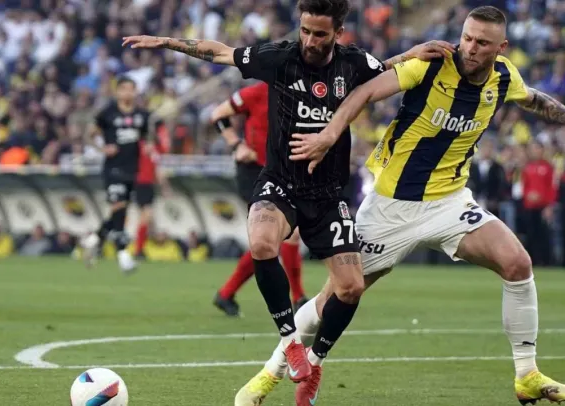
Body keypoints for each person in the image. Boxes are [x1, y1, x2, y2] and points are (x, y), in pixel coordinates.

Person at [242, 5, 565, 406]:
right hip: (390, 207)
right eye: (467, 38)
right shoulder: (431, 64)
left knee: (517, 264)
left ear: (501, 47)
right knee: (332, 298)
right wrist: (329, 134)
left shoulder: (504, 76)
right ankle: (270, 373)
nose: (470, 48)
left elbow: (533, 99)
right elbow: (365, 91)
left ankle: (526, 374)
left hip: (449, 203)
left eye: (482, 42)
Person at [122, 1, 451, 404]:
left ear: (338, 32)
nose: (310, 41)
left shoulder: (351, 63)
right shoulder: (279, 57)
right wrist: (166, 42)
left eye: (320, 34)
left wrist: (411, 53)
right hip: (280, 183)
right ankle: (290, 341)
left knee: (350, 287)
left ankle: (316, 362)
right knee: (261, 242)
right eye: (305, 30)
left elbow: (383, 68)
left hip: (328, 194)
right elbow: (221, 52)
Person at [210, 82, 308, 317]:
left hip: (284, 172)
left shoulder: (305, 93)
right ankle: (298, 298)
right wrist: (237, 145)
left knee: (270, 239)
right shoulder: (257, 91)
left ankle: (226, 294)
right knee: (282, 234)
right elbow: (218, 115)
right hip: (254, 170)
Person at [81, 77, 152, 273]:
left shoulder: (142, 115)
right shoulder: (108, 113)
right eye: (124, 89)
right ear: (117, 92)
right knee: (118, 206)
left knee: (120, 211)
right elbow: (89, 134)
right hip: (113, 168)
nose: (128, 93)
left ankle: (95, 238)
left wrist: (148, 146)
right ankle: (123, 256)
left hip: (132, 168)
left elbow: (146, 137)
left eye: (131, 89)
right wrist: (102, 149)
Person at [133, 137, 171, 258]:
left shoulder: (155, 153)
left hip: (148, 186)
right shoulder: (138, 149)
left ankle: (140, 248)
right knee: (146, 217)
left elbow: (158, 171)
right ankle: (139, 249)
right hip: (141, 185)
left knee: (146, 219)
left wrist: (165, 188)